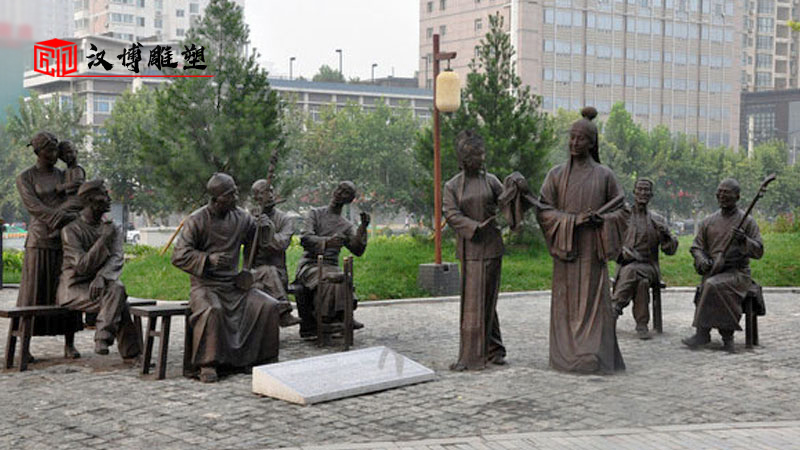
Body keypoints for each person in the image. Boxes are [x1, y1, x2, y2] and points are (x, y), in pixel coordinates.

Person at [536, 107, 630, 374]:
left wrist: (603, 220)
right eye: (572, 137)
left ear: (591, 143)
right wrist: (572, 221)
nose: (574, 143)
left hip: (592, 250)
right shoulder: (556, 175)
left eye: (581, 138)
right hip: (567, 249)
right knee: (566, 300)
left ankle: (593, 352)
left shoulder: (604, 175)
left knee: (593, 301)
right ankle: (566, 354)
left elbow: (623, 211)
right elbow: (543, 210)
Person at [171, 173, 283, 382]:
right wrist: (207, 259)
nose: (235, 198)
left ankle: (259, 358)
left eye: (236, 193)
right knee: (212, 310)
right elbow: (178, 256)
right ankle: (208, 363)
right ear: (216, 198)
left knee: (268, 305)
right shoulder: (197, 220)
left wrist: (264, 228)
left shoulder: (241, 217)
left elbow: (258, 243)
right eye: (230, 195)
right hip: (206, 286)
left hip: (234, 286)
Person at [16, 131, 82, 361]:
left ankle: (69, 343)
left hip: (63, 239)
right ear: (38, 151)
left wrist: (66, 216)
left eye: (56, 149)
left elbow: (75, 199)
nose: (55, 154)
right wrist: (58, 217)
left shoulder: (64, 175)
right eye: (50, 150)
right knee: (32, 292)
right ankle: (24, 345)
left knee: (66, 289)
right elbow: (33, 206)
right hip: (38, 241)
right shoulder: (26, 177)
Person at [443, 130, 506, 371]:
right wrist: (475, 227)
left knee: (487, 298)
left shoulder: (492, 181)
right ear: (464, 159)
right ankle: (485, 350)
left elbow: (507, 204)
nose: (481, 158)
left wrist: (515, 187)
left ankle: (488, 351)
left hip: (491, 248)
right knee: (474, 301)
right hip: (470, 248)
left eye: (481, 154)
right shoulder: (452, 186)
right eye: (475, 155)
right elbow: (451, 214)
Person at [56, 180, 141, 358]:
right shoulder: (71, 230)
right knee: (118, 299)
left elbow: (117, 257)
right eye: (104, 194)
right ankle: (130, 352)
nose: (109, 198)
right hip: (74, 288)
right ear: (89, 200)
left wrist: (102, 276)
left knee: (117, 291)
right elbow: (82, 266)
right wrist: (103, 240)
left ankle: (105, 337)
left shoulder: (112, 227)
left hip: (103, 286)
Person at [683, 178, 764, 352]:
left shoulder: (747, 221)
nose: (722, 195)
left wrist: (744, 240)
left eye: (727, 192)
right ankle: (707, 334)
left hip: (738, 274)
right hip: (714, 271)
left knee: (712, 285)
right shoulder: (708, 221)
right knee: (711, 283)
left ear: (737, 196)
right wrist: (702, 260)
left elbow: (759, 251)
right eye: (719, 192)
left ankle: (722, 335)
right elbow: (696, 247)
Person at [294, 181, 369, 339]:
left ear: (350, 200)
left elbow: (357, 250)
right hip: (311, 264)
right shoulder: (315, 214)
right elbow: (305, 238)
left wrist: (363, 228)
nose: (339, 193)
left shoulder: (346, 225)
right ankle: (326, 319)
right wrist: (327, 242)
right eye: (339, 189)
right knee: (328, 278)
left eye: (345, 192)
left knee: (341, 277)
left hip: (332, 265)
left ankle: (341, 316)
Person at [612, 178, 679, 339]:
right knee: (641, 282)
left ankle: (615, 308)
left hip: (649, 266)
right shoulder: (624, 217)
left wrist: (666, 235)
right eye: (640, 189)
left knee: (634, 271)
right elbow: (611, 244)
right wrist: (622, 253)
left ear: (651, 195)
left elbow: (670, 251)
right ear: (634, 192)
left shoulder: (657, 220)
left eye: (646, 190)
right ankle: (642, 324)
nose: (643, 193)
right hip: (626, 266)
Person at [248, 179, 300, 326]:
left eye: (270, 191)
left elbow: (281, 244)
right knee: (265, 271)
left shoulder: (285, 219)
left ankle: (282, 311)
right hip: (252, 272)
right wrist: (252, 226)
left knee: (269, 270)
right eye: (263, 192)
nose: (269, 195)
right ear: (255, 198)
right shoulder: (248, 218)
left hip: (278, 273)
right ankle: (283, 312)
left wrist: (267, 230)